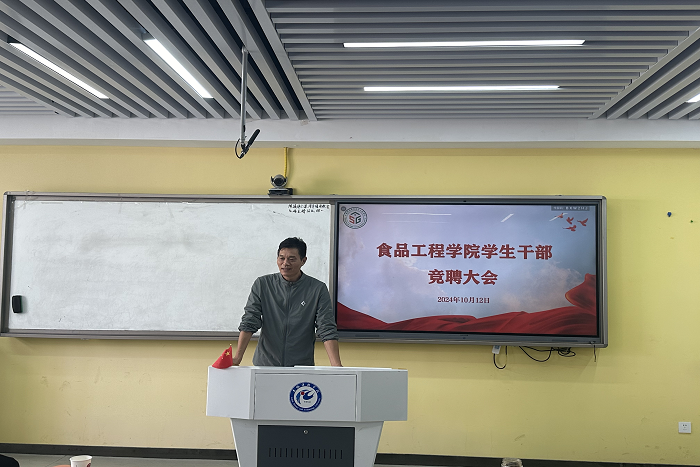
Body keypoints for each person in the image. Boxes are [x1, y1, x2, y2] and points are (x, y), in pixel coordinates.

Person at [232, 237, 342, 367]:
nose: (285, 263)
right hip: (265, 364)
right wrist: (237, 358)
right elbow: (250, 320)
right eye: (281, 258)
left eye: (292, 259)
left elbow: (326, 327)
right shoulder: (263, 284)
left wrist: (336, 366)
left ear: (303, 260)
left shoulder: (317, 289)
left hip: (301, 366)